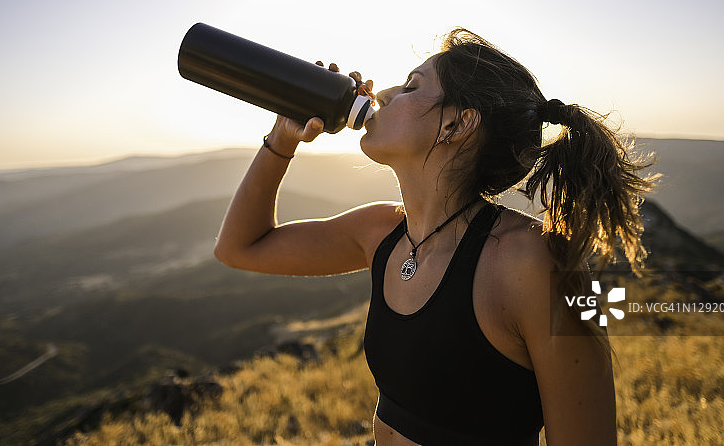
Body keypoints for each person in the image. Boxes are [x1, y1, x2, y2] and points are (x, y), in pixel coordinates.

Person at [213, 29, 655, 445]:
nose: (379, 94)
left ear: (456, 125)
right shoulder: (379, 231)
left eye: (409, 86)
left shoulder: (530, 262)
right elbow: (239, 248)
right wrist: (282, 136)